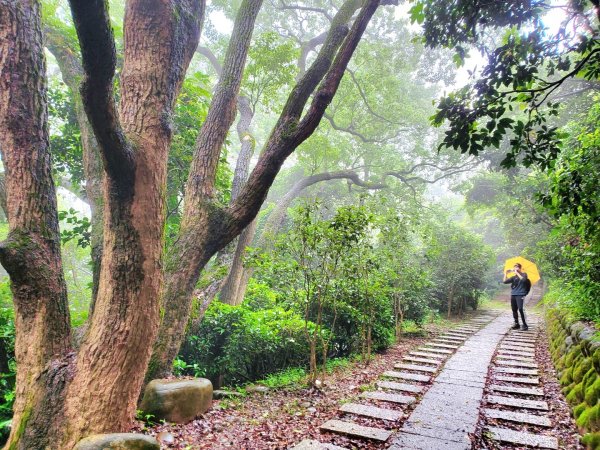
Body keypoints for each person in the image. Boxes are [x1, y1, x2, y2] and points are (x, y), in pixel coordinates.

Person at [503, 263, 529, 331]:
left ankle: (525, 324)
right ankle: (516, 323)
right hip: (513, 294)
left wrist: (517, 273)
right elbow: (504, 282)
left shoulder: (524, 274)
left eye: (517, 267)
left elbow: (523, 280)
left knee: (520, 309)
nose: (515, 268)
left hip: (520, 294)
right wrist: (505, 273)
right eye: (514, 267)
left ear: (520, 268)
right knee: (514, 309)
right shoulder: (513, 277)